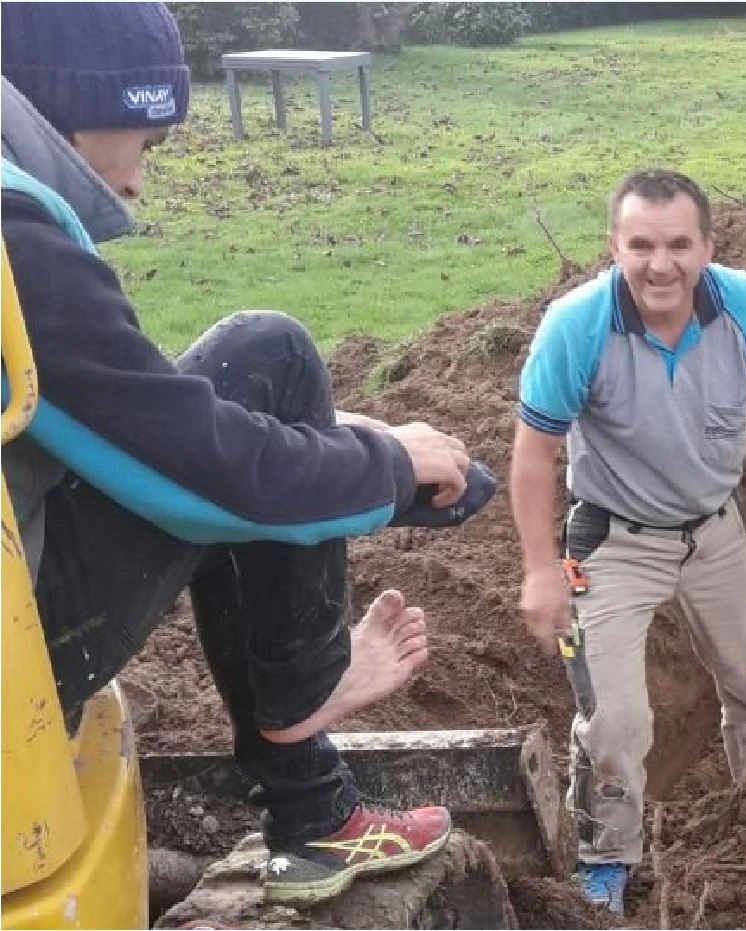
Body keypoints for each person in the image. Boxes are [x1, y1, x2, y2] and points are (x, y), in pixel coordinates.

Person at [1, 2, 493, 907]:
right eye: (150, 139)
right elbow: (206, 476)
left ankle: (305, 751)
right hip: (18, 650)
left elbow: (125, 414)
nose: (144, 179)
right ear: (86, 109)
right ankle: (304, 729)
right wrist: (383, 468)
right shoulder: (14, 242)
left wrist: (355, 446)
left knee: (260, 372)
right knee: (269, 356)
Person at [510, 169, 746, 913]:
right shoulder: (576, 327)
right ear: (614, 247)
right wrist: (540, 566)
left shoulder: (742, 305)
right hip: (611, 538)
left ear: (706, 247)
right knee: (614, 719)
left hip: (714, 529)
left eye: (676, 245)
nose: (658, 264)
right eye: (640, 245)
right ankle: (606, 860)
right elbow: (533, 451)